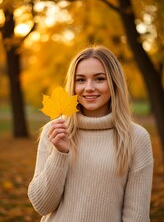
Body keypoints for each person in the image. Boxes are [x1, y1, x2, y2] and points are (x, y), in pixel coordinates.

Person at [28, 45, 154, 222]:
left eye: (99, 79)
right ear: (73, 84)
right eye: (80, 80)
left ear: (114, 82)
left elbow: (137, 214)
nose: (89, 87)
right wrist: (60, 153)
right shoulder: (55, 131)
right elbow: (42, 206)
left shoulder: (136, 137)